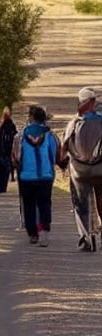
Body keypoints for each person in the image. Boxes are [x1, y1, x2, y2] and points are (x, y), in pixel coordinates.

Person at [12, 105, 61, 247]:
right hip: (45, 176)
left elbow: (16, 156)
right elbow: (54, 155)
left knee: (29, 205)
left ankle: (32, 233)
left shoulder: (21, 135)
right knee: (45, 203)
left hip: (27, 176)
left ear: (31, 118)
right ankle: (44, 232)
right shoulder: (49, 135)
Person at [62, 87, 102, 252]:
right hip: (100, 168)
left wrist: (64, 164)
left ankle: (85, 238)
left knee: (80, 202)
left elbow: (63, 150)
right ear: (92, 102)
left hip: (80, 171)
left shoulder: (73, 123)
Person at [0, 107, 18, 193]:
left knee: (1, 170)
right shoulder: (11, 125)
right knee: (8, 167)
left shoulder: (1, 127)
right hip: (9, 149)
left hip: (2, 152)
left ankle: (0, 189)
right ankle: (7, 183)